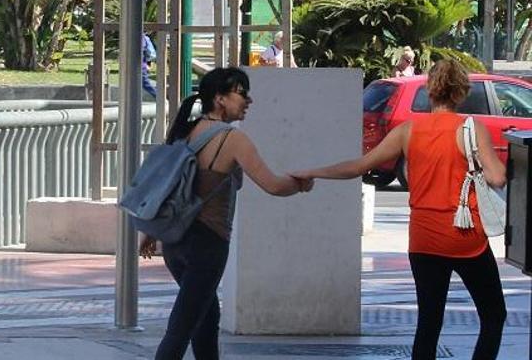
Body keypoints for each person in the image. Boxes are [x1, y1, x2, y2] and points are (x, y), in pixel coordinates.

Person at [291, 59, 506, 360]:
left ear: (431, 90)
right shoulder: (472, 129)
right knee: (493, 316)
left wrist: (313, 171)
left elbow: (359, 166)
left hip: (423, 240)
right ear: (462, 92)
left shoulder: (408, 131)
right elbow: (497, 177)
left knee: (429, 323)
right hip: (465, 238)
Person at [140, 67, 313, 360]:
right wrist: (301, 182)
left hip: (174, 243)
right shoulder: (231, 139)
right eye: (241, 93)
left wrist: (149, 233)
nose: (248, 100)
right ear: (220, 99)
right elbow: (272, 185)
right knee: (181, 327)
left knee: (206, 317)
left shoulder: (185, 130)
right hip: (207, 243)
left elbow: (167, 187)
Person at [142, 33, 157, 98]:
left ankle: (160, 98)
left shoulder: (140, 38)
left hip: (140, 65)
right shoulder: (145, 37)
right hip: (143, 65)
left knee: (145, 83)